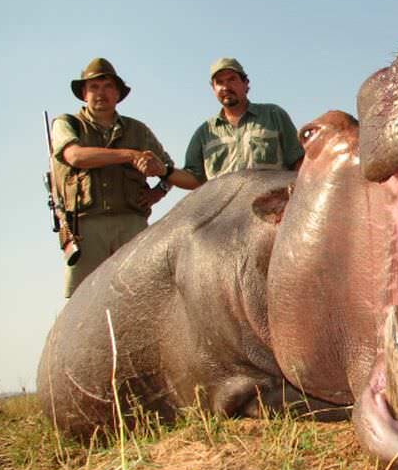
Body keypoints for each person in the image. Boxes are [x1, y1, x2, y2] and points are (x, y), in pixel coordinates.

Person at [51, 57, 186, 297]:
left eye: (108, 87)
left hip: (131, 224)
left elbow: (168, 168)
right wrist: (128, 155)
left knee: (143, 295)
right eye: (94, 87)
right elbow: (75, 156)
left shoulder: (138, 130)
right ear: (84, 93)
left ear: (118, 94)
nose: (100, 93)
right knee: (84, 301)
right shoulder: (67, 124)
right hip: (86, 225)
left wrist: (158, 192)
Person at [178, 57, 304, 187]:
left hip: (273, 204)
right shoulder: (204, 132)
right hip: (224, 206)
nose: (225, 87)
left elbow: (298, 162)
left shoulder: (274, 114)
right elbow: (194, 178)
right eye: (219, 82)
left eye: (232, 79)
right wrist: (165, 171)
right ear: (214, 89)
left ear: (246, 84)